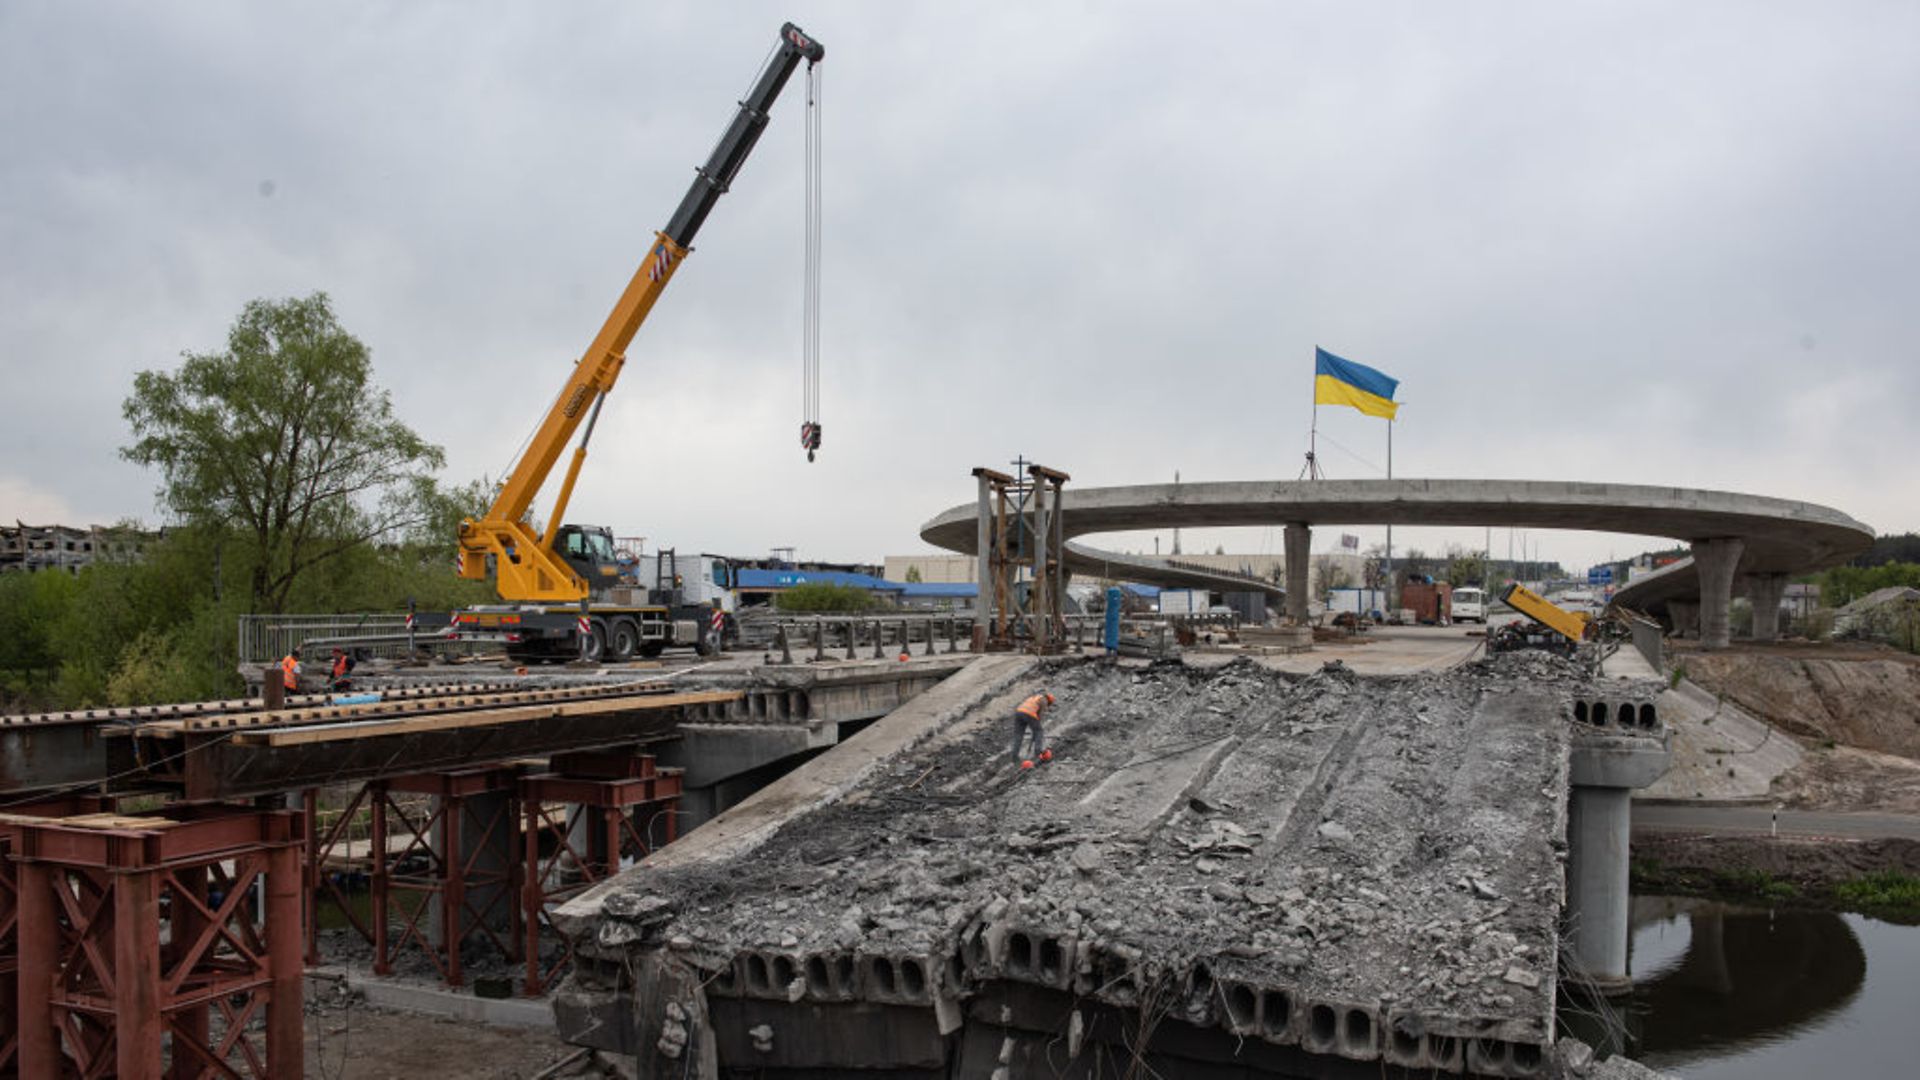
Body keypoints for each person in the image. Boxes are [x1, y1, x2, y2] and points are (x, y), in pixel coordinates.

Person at [1012, 691, 1056, 769]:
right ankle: (1038, 751)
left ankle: (1015, 757)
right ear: (1049, 701)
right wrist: (1036, 727)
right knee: (1039, 731)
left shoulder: (1034, 697)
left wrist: (1034, 727)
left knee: (1018, 736)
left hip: (1019, 712)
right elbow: (1039, 715)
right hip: (1029, 713)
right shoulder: (1044, 700)